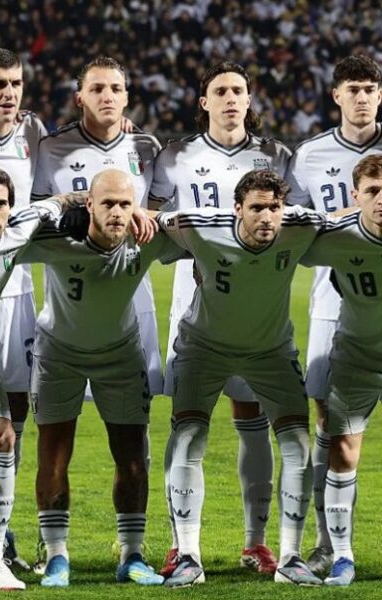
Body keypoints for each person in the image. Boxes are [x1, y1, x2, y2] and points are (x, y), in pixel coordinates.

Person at [154, 169, 334, 587]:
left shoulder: (301, 226)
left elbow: (346, 220)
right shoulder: (199, 224)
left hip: (271, 352)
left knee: (297, 443)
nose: (267, 217)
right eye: (256, 208)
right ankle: (188, 557)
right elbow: (150, 220)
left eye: (274, 208)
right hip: (203, 348)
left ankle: (290, 558)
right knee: (188, 436)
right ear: (237, 208)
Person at [149, 61, 291, 576]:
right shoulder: (176, 156)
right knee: (189, 423)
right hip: (194, 304)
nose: (230, 98)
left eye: (238, 91)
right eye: (220, 91)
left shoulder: (276, 156)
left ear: (249, 100)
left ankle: (256, 543)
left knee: (253, 421)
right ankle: (180, 543)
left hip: (254, 308)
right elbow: (150, 218)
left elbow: (293, 222)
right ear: (203, 101)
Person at [21, 169, 183, 588]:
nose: (116, 212)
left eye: (125, 204)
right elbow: (8, 229)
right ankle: (56, 557)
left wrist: (154, 217)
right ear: (89, 204)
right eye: (107, 203)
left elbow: (199, 231)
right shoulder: (57, 238)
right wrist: (60, 203)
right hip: (58, 356)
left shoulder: (145, 239)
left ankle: (132, 555)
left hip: (120, 355)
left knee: (132, 457)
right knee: (53, 456)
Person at [286, 54, 382, 576]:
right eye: (354, 89)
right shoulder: (310, 155)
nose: (362, 97)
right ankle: (328, 543)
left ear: (379, 95)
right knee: (330, 422)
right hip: (332, 298)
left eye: (370, 88)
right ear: (337, 95)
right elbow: (294, 222)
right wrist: (346, 218)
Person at [32, 55, 163, 395]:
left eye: (116, 89)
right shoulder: (51, 148)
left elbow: (162, 217)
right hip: (70, 297)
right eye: (97, 89)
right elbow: (37, 216)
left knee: (134, 406)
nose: (107, 96)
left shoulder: (147, 147)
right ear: (79, 98)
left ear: (126, 97)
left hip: (133, 291)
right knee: (63, 405)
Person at [0, 164, 85, 591]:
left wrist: (89, 200)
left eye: (0, 204)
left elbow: (52, 204)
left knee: (2, 437)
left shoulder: (13, 234)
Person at [301, 154, 382, 586]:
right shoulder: (337, 236)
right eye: (373, 191)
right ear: (356, 196)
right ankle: (342, 556)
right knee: (343, 450)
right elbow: (284, 234)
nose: (381, 199)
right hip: (358, 357)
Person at [0, 48, 47, 569]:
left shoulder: (33, 133)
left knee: (15, 411)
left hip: (17, 290)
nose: (9, 92)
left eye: (16, 83)